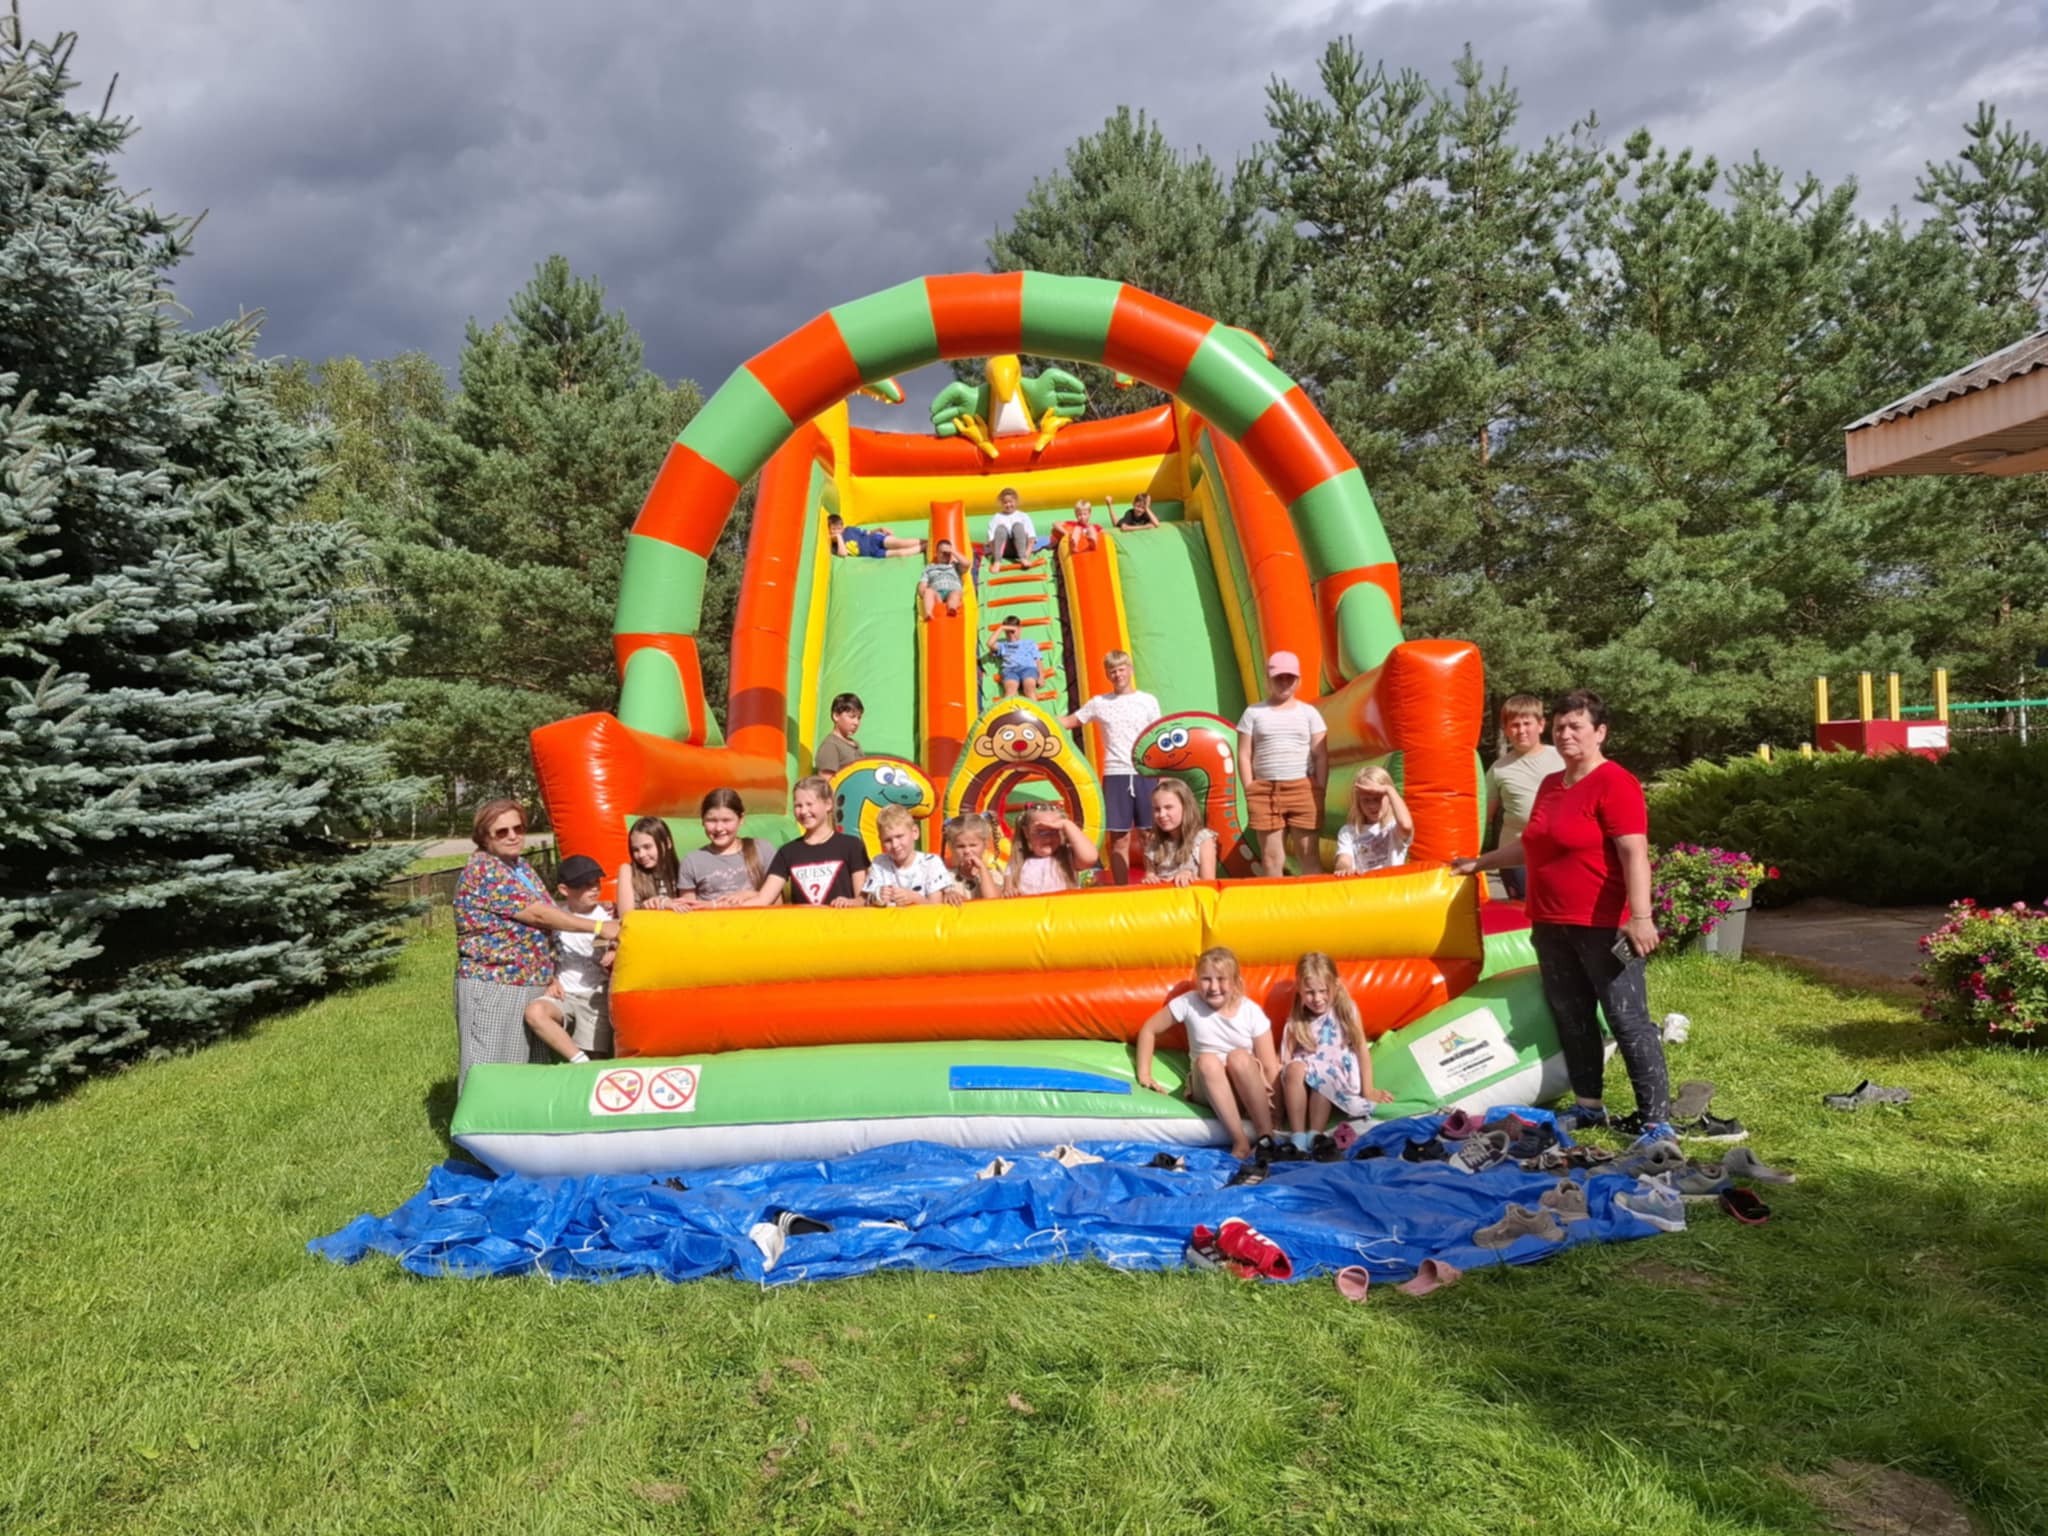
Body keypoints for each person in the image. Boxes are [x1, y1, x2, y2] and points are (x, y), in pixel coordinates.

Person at [1451, 689, 1670, 1141]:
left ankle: (1656, 1120)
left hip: (1602, 926)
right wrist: (1480, 862)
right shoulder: (1553, 784)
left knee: (1627, 1019)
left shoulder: (1615, 782)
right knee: (1572, 1015)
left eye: (1576, 727)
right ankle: (1589, 1106)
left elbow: (1634, 853)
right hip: (1550, 923)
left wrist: (1641, 916)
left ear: (1600, 732)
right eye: (1560, 727)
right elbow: (1531, 845)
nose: (1566, 735)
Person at [451, 799, 619, 1091]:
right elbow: (538, 914)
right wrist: (598, 926)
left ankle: (517, 1117)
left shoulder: (519, 866)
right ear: (484, 837)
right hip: (495, 983)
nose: (513, 836)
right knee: (491, 1069)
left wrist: (550, 972)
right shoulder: (485, 871)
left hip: (527, 981)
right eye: (502, 832)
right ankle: (482, 1117)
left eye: (518, 828)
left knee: (524, 1070)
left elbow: (551, 909)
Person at [1133, 946, 1280, 1160]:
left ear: (1235, 982)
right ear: (1197, 980)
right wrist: (1144, 1074)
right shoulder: (1189, 1002)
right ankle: (1240, 1141)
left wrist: (1278, 1112)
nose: (1213, 987)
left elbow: (1268, 1065)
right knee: (1208, 1060)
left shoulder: (1250, 1011)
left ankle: (1266, 1136)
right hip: (1208, 1087)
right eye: (1206, 979)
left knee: (1239, 1057)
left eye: (1221, 979)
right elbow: (1149, 1029)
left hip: (1245, 1086)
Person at [1059, 649, 1162, 883]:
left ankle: (1152, 875)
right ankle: (1122, 887)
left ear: (1130, 670)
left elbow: (1157, 736)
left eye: (1121, 669)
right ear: (1107, 675)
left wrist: (1162, 772)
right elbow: (1071, 721)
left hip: (1144, 771)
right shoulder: (1100, 703)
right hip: (1116, 773)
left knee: (1148, 832)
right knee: (1119, 837)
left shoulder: (1147, 701)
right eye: (1113, 671)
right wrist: (1037, 717)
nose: (1118, 675)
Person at [1236, 651, 1328, 877]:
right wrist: (1250, 788)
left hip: (1302, 788)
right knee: (1271, 858)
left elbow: (1320, 755)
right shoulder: (1253, 713)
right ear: (1268, 680)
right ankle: (1274, 899)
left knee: (1308, 854)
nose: (1285, 682)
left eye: (1290, 677)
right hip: (1265, 789)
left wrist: (1319, 787)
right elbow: (1244, 754)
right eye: (1279, 678)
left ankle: (1315, 898)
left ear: (1299, 680)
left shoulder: (1309, 713)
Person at [1277, 951, 1391, 1133]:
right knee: (1293, 1068)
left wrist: (1368, 1090)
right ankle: (1298, 1135)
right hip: (1304, 1073)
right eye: (1310, 992)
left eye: (1323, 991)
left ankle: (1315, 1134)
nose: (1317, 998)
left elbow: (1361, 1047)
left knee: (1323, 1077)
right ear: (1299, 990)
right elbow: (1285, 1057)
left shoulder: (1345, 1010)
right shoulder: (1297, 1020)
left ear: (1335, 985)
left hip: (1333, 1074)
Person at [522, 854, 614, 1061]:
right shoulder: (556, 917)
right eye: (585, 884)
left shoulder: (606, 916)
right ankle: (579, 1061)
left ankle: (587, 1067)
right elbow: (546, 951)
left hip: (595, 995)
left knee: (597, 1055)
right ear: (564, 890)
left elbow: (621, 940)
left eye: (596, 882)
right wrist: (552, 978)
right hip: (564, 994)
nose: (594, 888)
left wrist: (613, 950)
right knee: (535, 1013)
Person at [1484, 693, 1564, 899]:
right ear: (1506, 729)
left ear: (1541, 725)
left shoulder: (1564, 757)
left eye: (1527, 723)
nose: (1521, 731)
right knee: (1522, 913)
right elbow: (1483, 817)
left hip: (1561, 852)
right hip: (1516, 859)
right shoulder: (1498, 769)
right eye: (1514, 725)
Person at [745, 774, 869, 907]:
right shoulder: (787, 852)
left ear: (828, 804)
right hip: (803, 920)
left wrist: (849, 903)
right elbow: (764, 899)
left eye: (809, 804)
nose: (803, 811)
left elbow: (862, 899)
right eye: (798, 805)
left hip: (843, 919)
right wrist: (730, 907)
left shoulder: (851, 845)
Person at [675, 787, 767, 907]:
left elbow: (777, 902)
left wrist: (750, 895)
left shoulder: (762, 850)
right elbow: (688, 908)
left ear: (741, 819)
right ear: (702, 821)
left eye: (726, 820)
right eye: (711, 820)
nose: (719, 828)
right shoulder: (692, 861)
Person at [866, 804, 963, 905]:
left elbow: (936, 907)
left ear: (915, 832)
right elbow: (867, 901)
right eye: (888, 840)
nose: (895, 845)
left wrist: (914, 898)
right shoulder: (879, 863)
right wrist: (877, 896)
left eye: (899, 836)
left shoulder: (931, 863)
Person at [1333, 766, 1414, 874]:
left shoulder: (1393, 827)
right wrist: (1344, 868)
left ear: (1389, 798)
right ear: (1358, 802)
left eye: (1377, 799)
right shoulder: (1349, 832)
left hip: (1390, 883)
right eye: (1366, 800)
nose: (1372, 805)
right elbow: (1343, 859)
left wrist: (1389, 790)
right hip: (1365, 883)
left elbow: (1406, 825)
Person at [1003, 803, 1098, 894]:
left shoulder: (1067, 857)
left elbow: (1090, 858)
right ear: (1026, 832)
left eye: (1054, 830)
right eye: (1041, 831)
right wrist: (1010, 891)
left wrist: (1067, 824)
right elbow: (1008, 891)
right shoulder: (1017, 863)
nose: (1048, 838)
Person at [1140, 777, 1217, 886]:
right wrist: (1149, 878)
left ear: (1185, 807)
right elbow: (1150, 874)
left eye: (1168, 807)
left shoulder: (1202, 840)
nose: (1162, 814)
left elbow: (1209, 885)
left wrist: (1190, 876)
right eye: (1157, 809)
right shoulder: (1154, 843)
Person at [615, 815, 682, 915]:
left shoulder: (680, 870)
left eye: (647, 847)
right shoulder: (628, 871)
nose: (641, 854)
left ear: (667, 843)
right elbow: (625, 916)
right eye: (635, 850)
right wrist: (647, 906)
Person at [943, 812, 1002, 901]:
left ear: (985, 844)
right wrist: (947, 895)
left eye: (973, 845)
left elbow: (992, 900)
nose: (967, 851)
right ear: (952, 847)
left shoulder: (994, 875)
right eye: (960, 846)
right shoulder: (946, 877)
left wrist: (982, 868)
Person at [990, 615, 1042, 699]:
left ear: (1020, 629)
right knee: (1010, 693)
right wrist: (1001, 628)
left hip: (1028, 668)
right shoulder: (1003, 645)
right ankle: (1010, 708)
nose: (1010, 635)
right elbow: (989, 643)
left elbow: (1038, 660)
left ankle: (1033, 707)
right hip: (1010, 671)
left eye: (1012, 631)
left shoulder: (1029, 643)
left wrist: (1041, 676)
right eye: (1007, 632)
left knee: (1029, 690)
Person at [828, 513, 922, 559]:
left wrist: (879, 529)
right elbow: (843, 554)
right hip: (873, 553)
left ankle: (925, 542)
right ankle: (924, 547)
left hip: (874, 539)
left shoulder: (849, 530)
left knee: (901, 543)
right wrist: (839, 538)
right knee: (900, 553)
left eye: (839, 529)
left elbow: (867, 533)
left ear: (843, 527)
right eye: (833, 529)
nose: (837, 532)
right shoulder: (835, 547)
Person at [918, 538, 971, 620]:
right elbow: (922, 585)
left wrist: (952, 551)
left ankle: (952, 608)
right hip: (937, 594)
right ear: (937, 553)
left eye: (947, 553)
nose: (945, 555)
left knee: (956, 593)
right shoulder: (929, 568)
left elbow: (967, 564)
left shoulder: (955, 566)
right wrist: (924, 593)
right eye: (943, 552)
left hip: (953, 590)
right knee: (928, 591)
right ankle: (928, 613)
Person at [814, 693, 865, 775]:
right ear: (836, 716)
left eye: (859, 718)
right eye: (852, 716)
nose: (856, 722)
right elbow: (827, 780)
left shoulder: (855, 744)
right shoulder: (831, 745)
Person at [985, 486, 1036, 563]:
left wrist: (1027, 555)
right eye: (1005, 503)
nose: (1008, 505)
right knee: (1001, 529)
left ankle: (1023, 558)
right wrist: (995, 556)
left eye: (1010, 502)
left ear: (1016, 501)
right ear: (1001, 503)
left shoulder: (1023, 516)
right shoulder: (996, 518)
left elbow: (1031, 538)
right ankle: (998, 560)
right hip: (1005, 551)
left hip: (1022, 549)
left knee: (1018, 527)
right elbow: (991, 540)